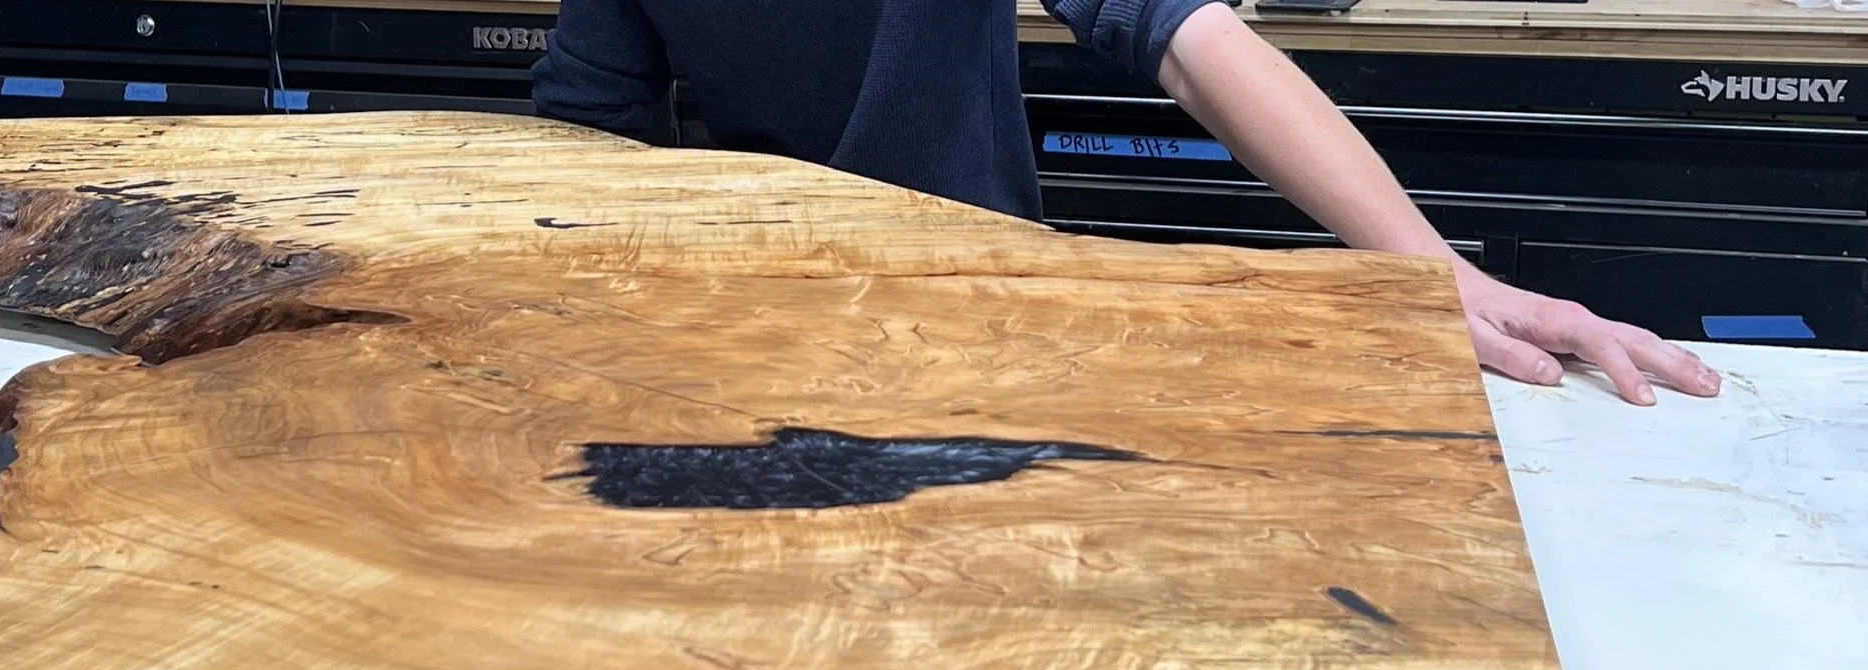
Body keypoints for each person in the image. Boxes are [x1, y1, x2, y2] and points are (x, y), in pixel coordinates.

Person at [532, 0, 1718, 405]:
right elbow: (584, 144)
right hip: (757, 349)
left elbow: (1187, 37)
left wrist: (1433, 275)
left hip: (985, 333)